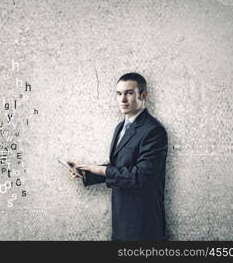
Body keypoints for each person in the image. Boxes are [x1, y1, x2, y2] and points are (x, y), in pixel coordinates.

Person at [68, 72, 168, 241]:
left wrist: (102, 171)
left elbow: (140, 176)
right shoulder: (120, 127)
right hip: (121, 221)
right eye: (119, 94)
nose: (123, 99)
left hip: (144, 225)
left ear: (143, 95)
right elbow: (120, 165)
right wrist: (86, 172)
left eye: (129, 93)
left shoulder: (153, 131)